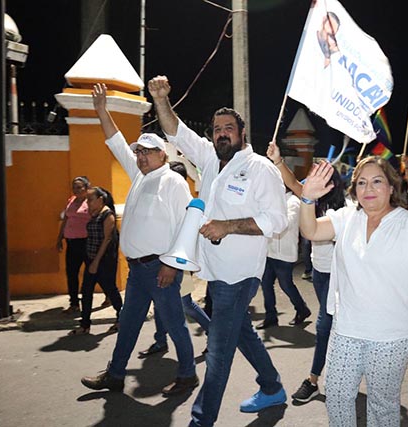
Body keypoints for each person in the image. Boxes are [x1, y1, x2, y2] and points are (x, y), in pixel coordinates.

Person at [149, 75, 289, 426]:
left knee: (218, 351)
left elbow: (276, 221)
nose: (221, 133)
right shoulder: (211, 160)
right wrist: (161, 99)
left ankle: (201, 420)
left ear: (242, 133)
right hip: (213, 272)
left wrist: (228, 226)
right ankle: (272, 387)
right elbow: (175, 130)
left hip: (239, 275)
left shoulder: (260, 169)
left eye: (228, 127)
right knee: (241, 331)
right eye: (216, 129)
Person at [300, 157, 408, 426]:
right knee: (337, 396)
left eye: (377, 181)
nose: (369, 188)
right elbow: (310, 230)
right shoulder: (346, 218)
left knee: (383, 406)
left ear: (391, 187)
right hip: (347, 330)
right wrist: (307, 199)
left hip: (392, 335)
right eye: (362, 182)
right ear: (354, 190)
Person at [80, 83, 198, 397]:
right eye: (139, 151)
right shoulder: (140, 177)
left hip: (159, 268)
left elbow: (188, 224)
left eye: (147, 151)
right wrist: (102, 111)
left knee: (174, 323)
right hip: (137, 271)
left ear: (163, 154)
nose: (140, 155)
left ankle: (188, 374)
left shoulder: (173, 181)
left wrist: (172, 266)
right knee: (129, 323)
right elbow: (115, 142)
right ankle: (116, 374)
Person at [267, 141, 347, 403]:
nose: (310, 180)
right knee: (333, 325)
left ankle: (313, 380)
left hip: (338, 277)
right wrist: (278, 161)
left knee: (325, 326)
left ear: (330, 183)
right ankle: (341, 372)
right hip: (320, 274)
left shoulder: (342, 213)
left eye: (317, 175)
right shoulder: (311, 201)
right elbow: (293, 184)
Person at [137, 160, 211, 359]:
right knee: (159, 302)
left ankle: (213, 334)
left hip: (176, 264)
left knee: (186, 303)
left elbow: (188, 234)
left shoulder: (183, 200)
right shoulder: (162, 198)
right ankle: (161, 340)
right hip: (158, 261)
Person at [69, 186, 123, 335]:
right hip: (92, 258)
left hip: (104, 260)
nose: (88, 203)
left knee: (110, 289)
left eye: (91, 199)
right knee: (86, 291)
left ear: (100, 199)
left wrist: (96, 262)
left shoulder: (108, 215)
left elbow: (107, 240)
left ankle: (122, 317)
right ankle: (85, 324)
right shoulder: (95, 214)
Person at [257, 188, 311, 329]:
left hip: (284, 253)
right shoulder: (273, 201)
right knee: (266, 284)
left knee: (286, 284)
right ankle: (271, 316)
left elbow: (285, 223)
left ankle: (302, 309)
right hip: (270, 250)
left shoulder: (293, 202)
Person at [56, 176, 90, 314]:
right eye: (74, 187)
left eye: (79, 187)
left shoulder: (91, 202)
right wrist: (59, 238)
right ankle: (74, 302)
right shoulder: (71, 201)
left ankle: (108, 296)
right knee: (71, 273)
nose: (76, 190)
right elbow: (66, 219)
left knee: (94, 272)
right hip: (72, 242)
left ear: (86, 188)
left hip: (86, 242)